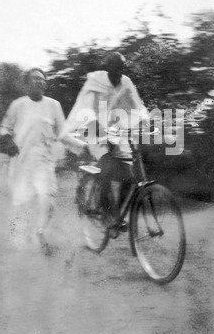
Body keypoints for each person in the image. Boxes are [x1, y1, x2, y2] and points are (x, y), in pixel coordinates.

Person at [60, 52, 149, 235]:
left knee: (131, 175)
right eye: (115, 67)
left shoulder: (126, 82)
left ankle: (118, 213)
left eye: (122, 68)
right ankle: (107, 214)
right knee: (106, 166)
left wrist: (145, 122)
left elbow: (137, 106)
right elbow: (85, 108)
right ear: (107, 67)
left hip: (115, 131)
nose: (119, 72)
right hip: (92, 129)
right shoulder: (95, 82)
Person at [0, 68, 65, 248]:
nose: (39, 82)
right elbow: (5, 127)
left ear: (45, 84)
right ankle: (18, 242)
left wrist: (80, 147)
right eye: (34, 79)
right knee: (22, 202)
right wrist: (7, 140)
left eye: (42, 79)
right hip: (22, 162)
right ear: (26, 83)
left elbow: (63, 132)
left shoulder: (54, 105)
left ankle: (39, 233)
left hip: (44, 162)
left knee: (48, 201)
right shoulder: (17, 105)